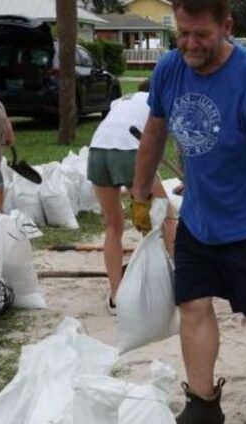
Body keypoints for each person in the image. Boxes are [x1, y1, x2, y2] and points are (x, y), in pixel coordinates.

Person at [129, 0, 246, 424]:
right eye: (183, 33)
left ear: (227, 26)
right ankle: (203, 404)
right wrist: (140, 195)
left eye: (201, 35)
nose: (190, 44)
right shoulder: (170, 69)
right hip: (199, 216)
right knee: (192, 303)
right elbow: (154, 133)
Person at [88, 79, 176, 314]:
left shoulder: (121, 101)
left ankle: (116, 297)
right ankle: (180, 279)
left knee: (113, 225)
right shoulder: (158, 102)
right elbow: (157, 142)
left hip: (97, 152)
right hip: (129, 151)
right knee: (167, 214)